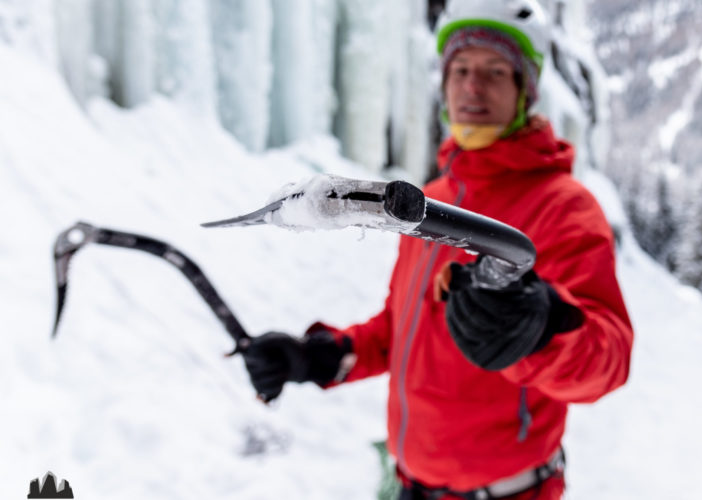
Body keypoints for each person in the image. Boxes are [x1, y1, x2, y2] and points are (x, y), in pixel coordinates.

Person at [241, 0, 634, 498]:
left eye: (495, 71)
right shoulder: (435, 201)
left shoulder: (564, 207)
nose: (473, 86)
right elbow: (400, 329)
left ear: (524, 92)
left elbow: (610, 360)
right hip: (414, 486)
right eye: (461, 69)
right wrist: (321, 357)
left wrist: (542, 327)